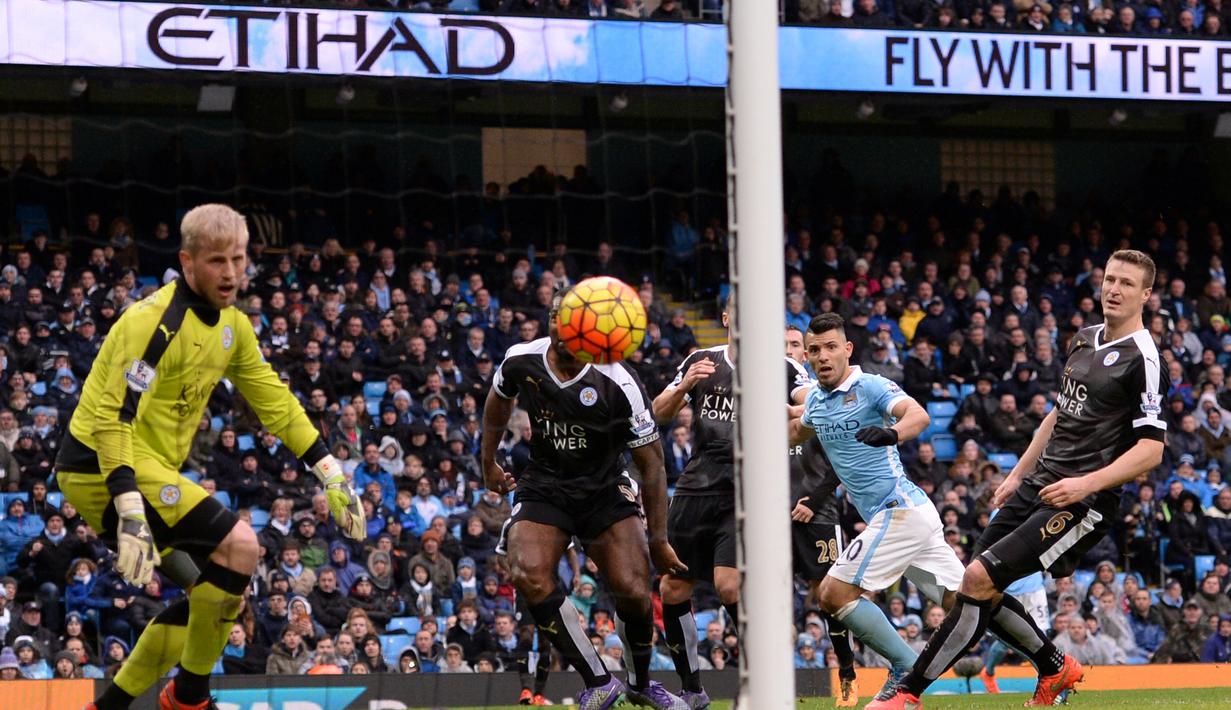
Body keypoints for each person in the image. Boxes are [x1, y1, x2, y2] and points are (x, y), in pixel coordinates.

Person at [61, 204, 367, 710]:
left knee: (217, 599)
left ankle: (109, 706)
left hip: (148, 468)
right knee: (242, 547)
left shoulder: (234, 327)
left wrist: (331, 473)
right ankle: (190, 700)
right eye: (217, 261)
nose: (230, 273)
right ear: (187, 261)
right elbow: (113, 419)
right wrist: (130, 508)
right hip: (99, 464)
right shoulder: (152, 324)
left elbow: (274, 401)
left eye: (239, 260)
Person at [870, 251, 1168, 709]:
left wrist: (1085, 485)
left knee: (975, 580)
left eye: (1127, 283)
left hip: (1082, 501)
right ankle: (1055, 668)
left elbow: (1151, 450)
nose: (1114, 289)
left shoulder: (1144, 358)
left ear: (1145, 294)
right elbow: (1057, 413)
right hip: (1038, 483)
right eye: (1110, 279)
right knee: (973, 589)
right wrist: (1017, 474)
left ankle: (907, 693)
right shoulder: (1084, 338)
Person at [481, 287, 688, 710]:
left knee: (632, 590)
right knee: (526, 572)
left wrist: (659, 539)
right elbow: (497, 404)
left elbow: (652, 465)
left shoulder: (619, 381)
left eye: (573, 319)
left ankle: (640, 683)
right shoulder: (521, 358)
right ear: (550, 319)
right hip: (544, 485)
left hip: (604, 488)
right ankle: (598, 680)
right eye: (558, 316)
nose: (563, 326)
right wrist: (487, 462)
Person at [788, 313, 964, 701]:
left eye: (831, 347)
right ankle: (1052, 664)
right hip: (912, 514)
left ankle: (905, 669)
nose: (822, 356)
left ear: (847, 349)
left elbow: (918, 414)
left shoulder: (869, 386)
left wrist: (891, 433)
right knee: (968, 601)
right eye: (814, 350)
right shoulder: (817, 399)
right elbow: (799, 426)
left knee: (833, 594)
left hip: (897, 510)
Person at [650, 309, 816, 710]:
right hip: (696, 486)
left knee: (728, 585)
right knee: (672, 588)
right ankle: (692, 689)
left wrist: (795, 411)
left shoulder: (784, 367)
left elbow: (811, 402)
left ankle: (765, 681)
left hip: (748, 491)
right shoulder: (700, 360)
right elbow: (658, 412)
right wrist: (683, 387)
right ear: (726, 317)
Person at [784, 325, 860, 706]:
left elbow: (840, 461)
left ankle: (846, 672)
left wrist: (813, 499)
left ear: (807, 353)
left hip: (817, 511)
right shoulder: (752, 398)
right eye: (782, 345)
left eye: (795, 345)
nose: (789, 351)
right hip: (770, 516)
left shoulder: (822, 398)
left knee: (827, 596)